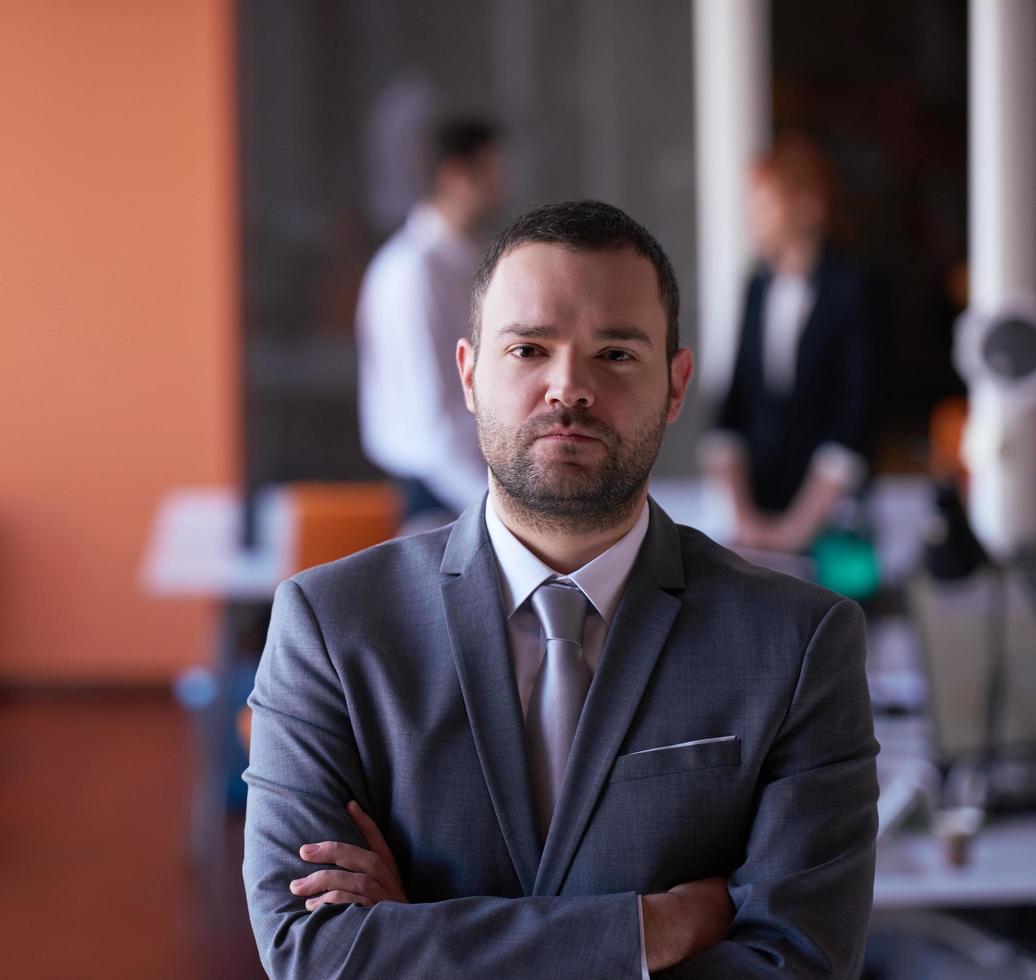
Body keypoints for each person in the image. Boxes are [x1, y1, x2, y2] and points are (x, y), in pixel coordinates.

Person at [244, 200, 879, 977]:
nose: (568, 388)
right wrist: (648, 931)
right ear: (470, 375)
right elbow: (308, 952)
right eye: (528, 350)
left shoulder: (801, 642)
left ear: (676, 386)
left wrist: (416, 937)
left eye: (615, 354)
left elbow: (798, 964)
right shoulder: (330, 628)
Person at [704, 135, 879, 553]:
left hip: (831, 520)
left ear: (809, 207)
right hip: (756, 513)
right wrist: (744, 517)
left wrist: (798, 529)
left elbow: (855, 415)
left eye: (764, 205)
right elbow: (736, 402)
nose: (753, 219)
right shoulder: (757, 285)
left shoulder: (855, 288)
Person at [356, 117, 506, 525]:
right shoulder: (414, 272)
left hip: (475, 482)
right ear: (457, 176)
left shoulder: (469, 259)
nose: (502, 187)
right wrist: (502, 509)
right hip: (440, 490)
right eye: (493, 172)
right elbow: (434, 418)